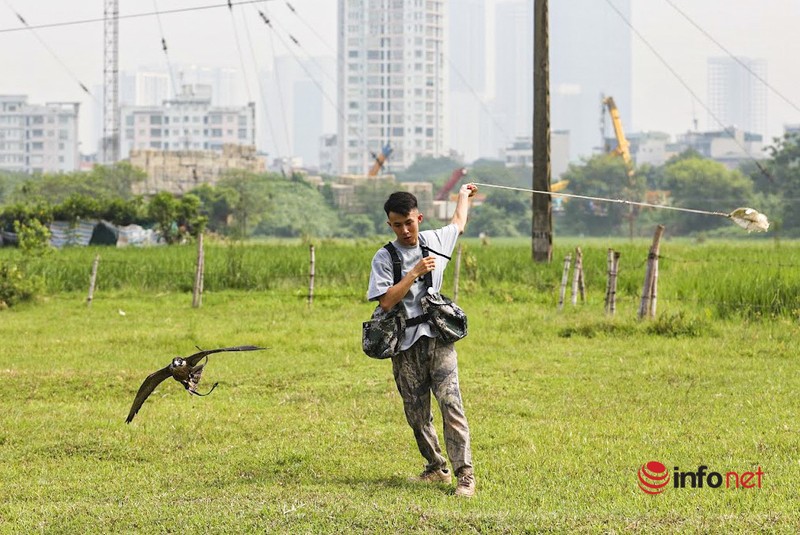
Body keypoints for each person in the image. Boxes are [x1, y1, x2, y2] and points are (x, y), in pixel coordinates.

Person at [366, 183, 478, 498]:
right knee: (416, 412)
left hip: (438, 339)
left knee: (451, 403)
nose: (404, 229)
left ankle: (464, 475)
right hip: (403, 344)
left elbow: (458, 222)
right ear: (390, 224)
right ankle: (435, 467)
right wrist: (413, 273)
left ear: (420, 218)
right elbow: (386, 302)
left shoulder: (436, 241)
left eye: (409, 222)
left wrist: (462, 196)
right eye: (397, 224)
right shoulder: (384, 257)